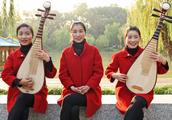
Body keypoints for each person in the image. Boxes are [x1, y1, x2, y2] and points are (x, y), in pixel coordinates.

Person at [105, 26, 169, 120]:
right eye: (129, 37)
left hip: (144, 90)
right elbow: (108, 71)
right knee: (136, 109)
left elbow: (161, 70)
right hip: (125, 90)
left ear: (140, 38)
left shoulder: (147, 54)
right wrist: (115, 75)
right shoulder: (118, 56)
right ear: (125, 38)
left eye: (136, 37)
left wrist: (163, 60)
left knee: (137, 101)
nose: (133, 40)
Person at [1, 23, 57, 120]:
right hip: (17, 92)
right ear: (17, 36)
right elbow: (5, 75)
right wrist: (19, 82)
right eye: (21, 34)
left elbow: (51, 75)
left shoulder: (41, 53)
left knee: (23, 98)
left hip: (37, 93)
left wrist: (48, 60)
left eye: (27, 33)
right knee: (22, 102)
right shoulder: (13, 56)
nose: (24, 37)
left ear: (32, 36)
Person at [58, 21, 104, 120]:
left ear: (85, 33)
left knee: (68, 101)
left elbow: (98, 72)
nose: (78, 34)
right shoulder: (66, 53)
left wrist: (88, 86)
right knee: (74, 109)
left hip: (90, 92)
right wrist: (72, 86)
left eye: (81, 31)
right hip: (71, 90)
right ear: (71, 34)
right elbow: (62, 74)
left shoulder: (94, 51)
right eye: (74, 32)